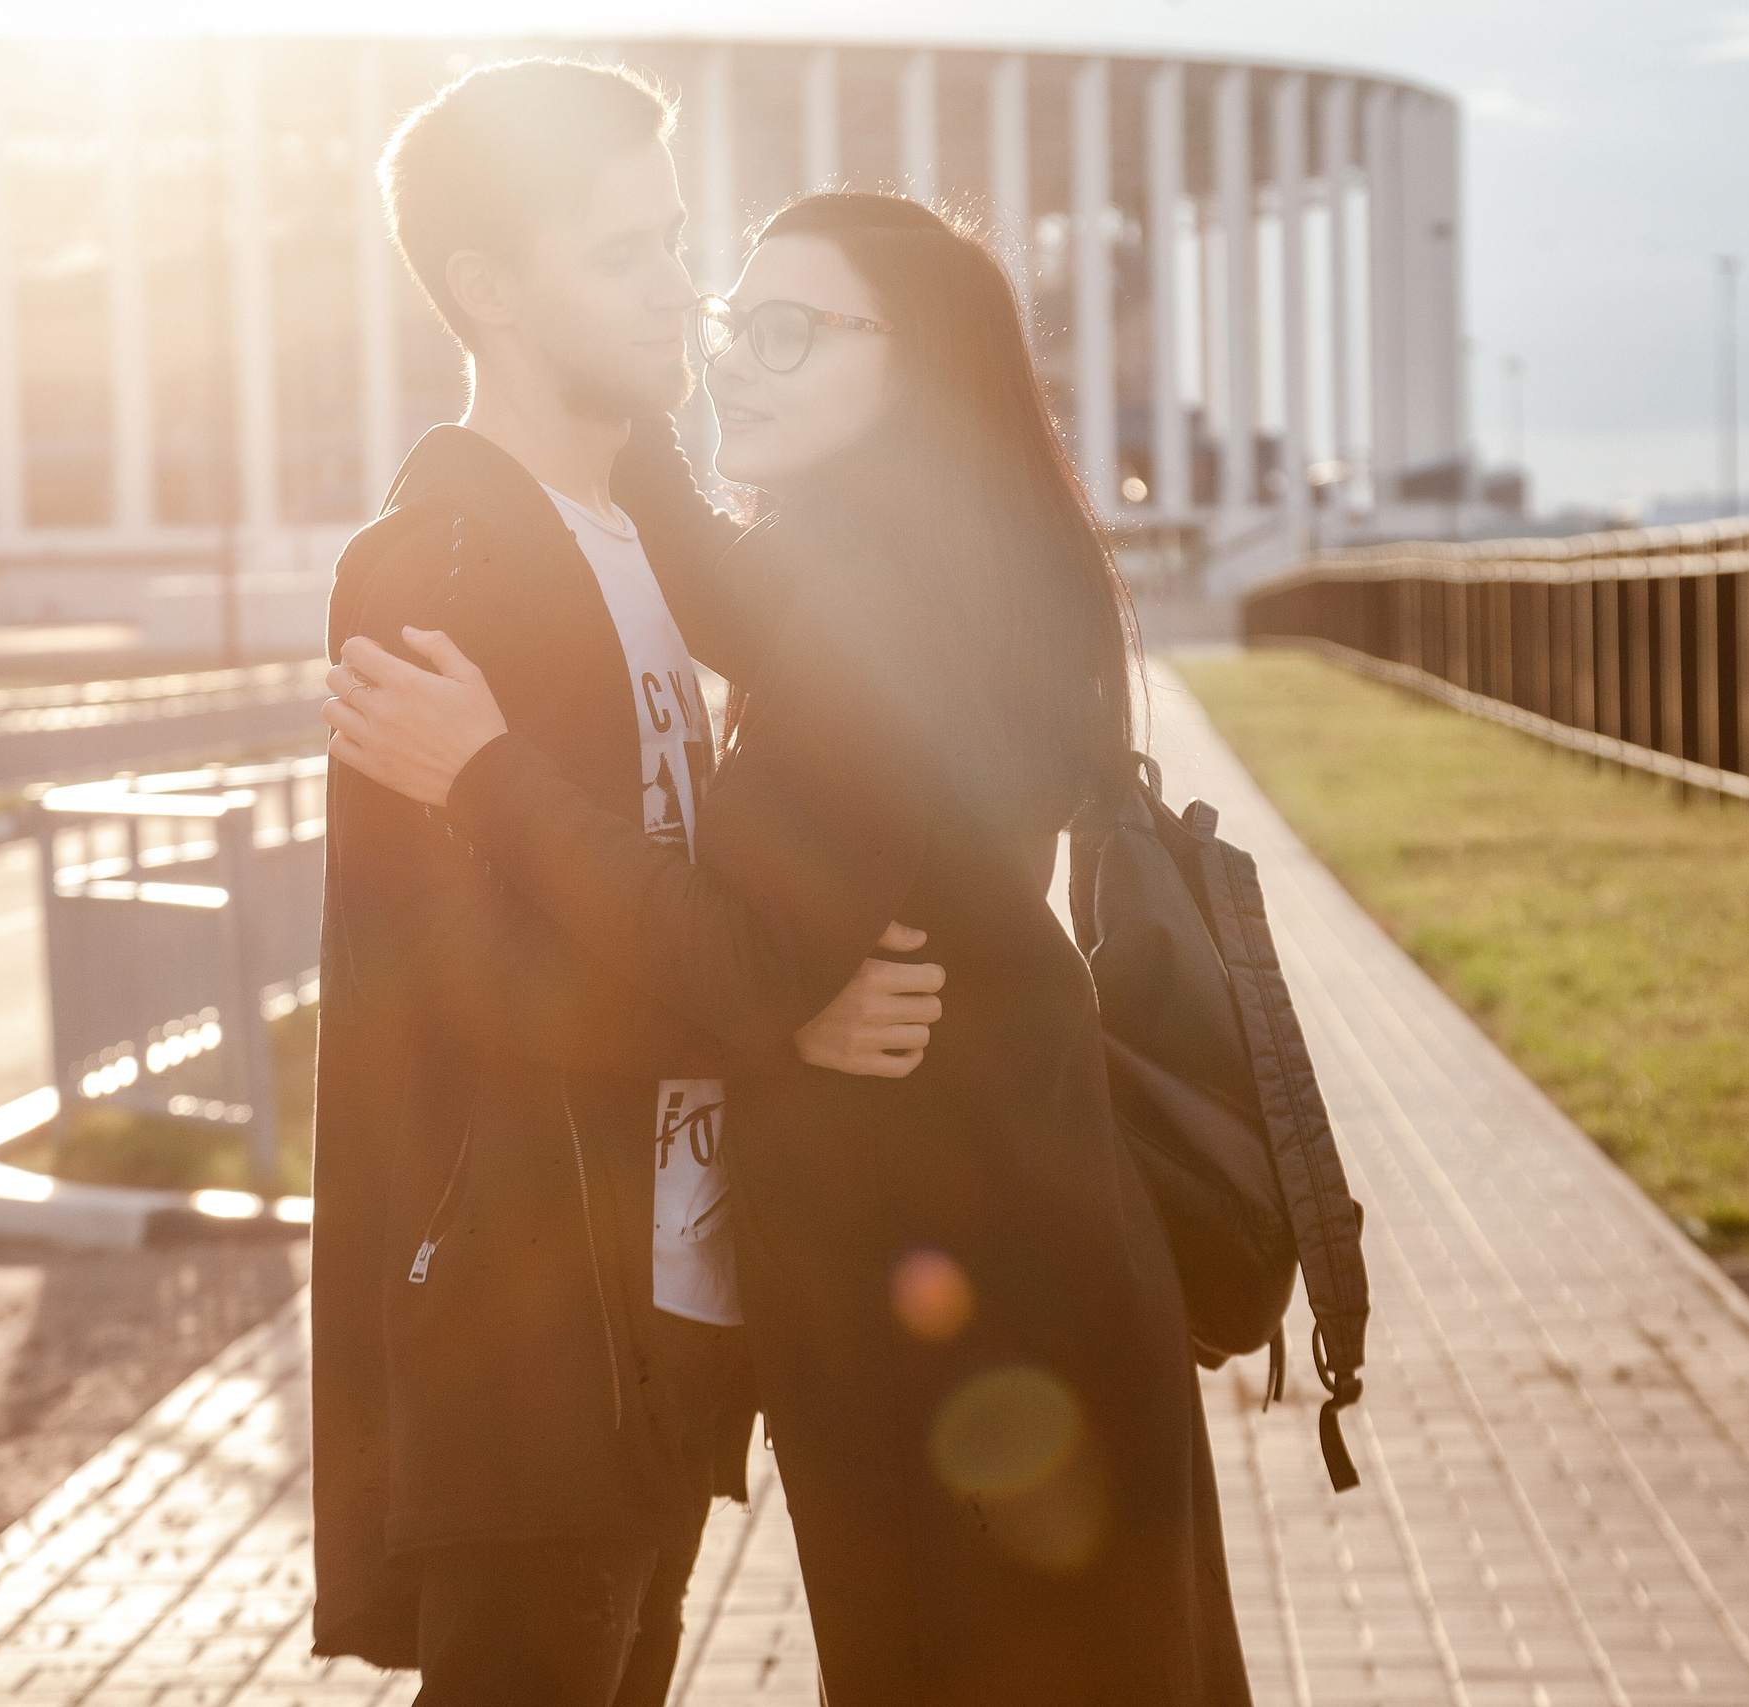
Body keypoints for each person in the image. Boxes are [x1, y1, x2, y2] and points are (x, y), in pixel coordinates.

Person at [324, 192, 1253, 1706]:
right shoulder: (904, 564)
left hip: (974, 1319)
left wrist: (485, 770)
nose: (726, 361)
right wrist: (599, 377)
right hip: (1003, 1263)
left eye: (783, 332)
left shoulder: (897, 605)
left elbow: (743, 955)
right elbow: (706, 566)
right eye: (719, 323)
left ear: (920, 364)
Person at [308, 67, 948, 1707]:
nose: (682, 284)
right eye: (623, 256)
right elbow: (457, 983)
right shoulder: (429, 568)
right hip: (531, 1325)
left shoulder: (650, 532)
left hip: (671, 1313)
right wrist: (775, 1026)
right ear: (490, 292)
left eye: (675, 237)